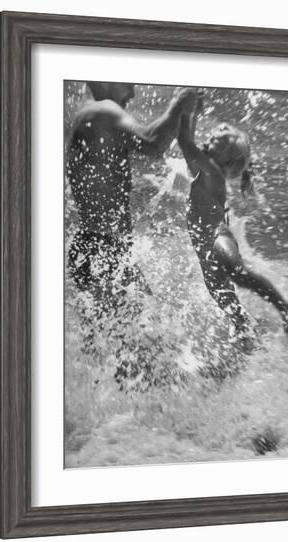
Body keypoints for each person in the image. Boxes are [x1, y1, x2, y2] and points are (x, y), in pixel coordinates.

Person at [66, 82, 197, 388]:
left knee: (131, 354)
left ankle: (117, 427)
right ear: (106, 79)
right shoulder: (103, 111)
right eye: (129, 85)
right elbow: (153, 143)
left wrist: (184, 117)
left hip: (96, 250)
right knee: (149, 354)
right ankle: (138, 427)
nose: (133, 94)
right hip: (102, 252)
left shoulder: (88, 114)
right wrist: (179, 103)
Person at [177, 103, 288, 339]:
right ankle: (248, 337)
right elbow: (188, 145)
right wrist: (190, 115)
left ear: (227, 162)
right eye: (212, 138)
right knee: (225, 298)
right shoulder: (206, 169)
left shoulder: (211, 170)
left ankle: (284, 305)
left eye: (217, 143)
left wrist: (186, 109)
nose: (209, 140)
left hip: (216, 237)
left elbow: (184, 142)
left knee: (238, 272)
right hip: (205, 248)